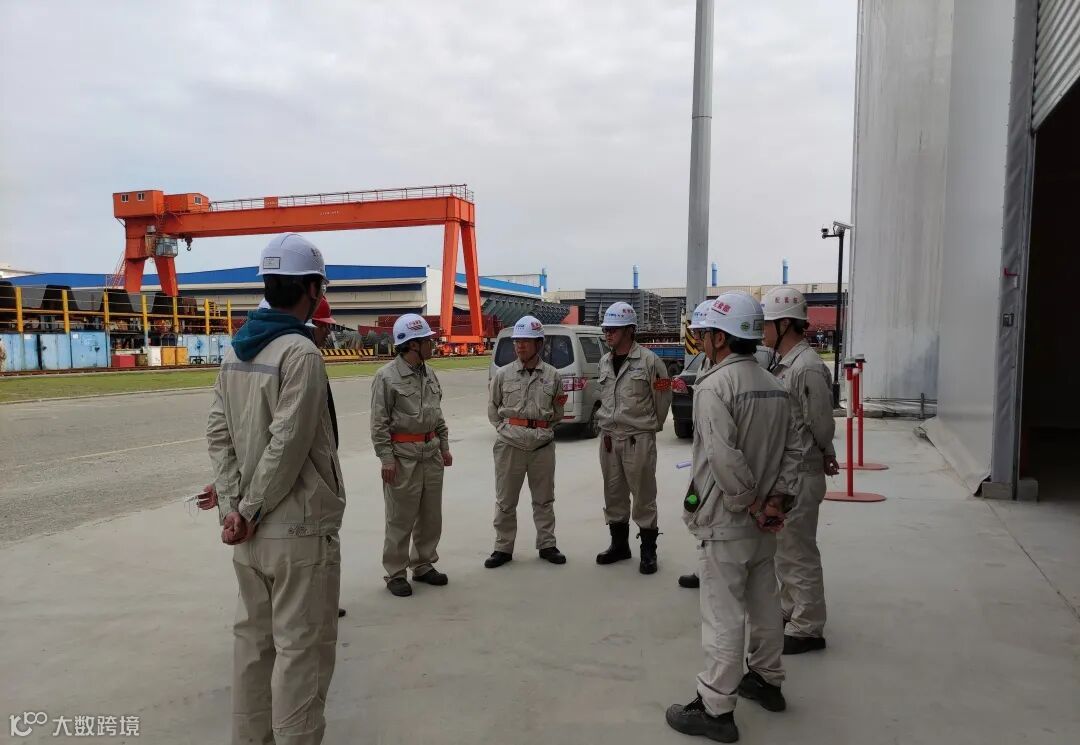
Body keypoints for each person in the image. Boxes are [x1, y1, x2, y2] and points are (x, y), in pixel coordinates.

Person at [207, 233, 346, 745]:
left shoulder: (236, 350)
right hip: (295, 527)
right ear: (311, 288)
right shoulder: (300, 353)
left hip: (248, 534)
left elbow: (219, 434)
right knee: (300, 651)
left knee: (253, 645)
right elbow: (288, 443)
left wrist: (233, 509)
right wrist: (249, 508)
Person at [665, 291, 805, 744]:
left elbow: (724, 458)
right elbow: (794, 450)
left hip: (728, 520)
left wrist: (750, 503)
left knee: (723, 614)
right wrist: (776, 501)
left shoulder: (715, 387)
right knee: (764, 604)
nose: (703, 341)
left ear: (721, 338)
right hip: (764, 522)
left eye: (706, 333)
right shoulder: (775, 384)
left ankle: (715, 707)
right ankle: (766, 678)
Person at [761, 286, 839, 655]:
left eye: (768, 324)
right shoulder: (784, 364)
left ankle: (808, 627)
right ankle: (791, 608)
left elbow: (821, 423)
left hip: (802, 471)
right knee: (784, 548)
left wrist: (825, 451)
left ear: (785, 325)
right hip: (788, 472)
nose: (762, 331)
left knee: (798, 550)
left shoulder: (806, 367)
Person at [370, 313, 452, 597]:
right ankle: (395, 572)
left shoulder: (429, 373)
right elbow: (379, 423)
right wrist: (386, 458)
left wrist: (444, 446)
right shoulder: (386, 377)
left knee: (430, 516)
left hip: (431, 455)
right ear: (413, 344)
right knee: (400, 518)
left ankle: (423, 564)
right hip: (403, 458)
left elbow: (437, 414)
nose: (433, 344)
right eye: (428, 340)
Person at [594, 301, 672, 574]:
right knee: (613, 493)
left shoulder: (650, 361)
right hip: (609, 439)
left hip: (638, 439)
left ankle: (648, 551)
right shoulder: (604, 362)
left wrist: (650, 427)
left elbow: (663, 397)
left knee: (643, 495)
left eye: (613, 329)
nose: (608, 334)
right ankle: (619, 545)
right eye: (606, 329)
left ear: (629, 330)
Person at [485, 315, 568, 568]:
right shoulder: (503, 374)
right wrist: (504, 429)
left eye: (526, 341)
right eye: (517, 341)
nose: (520, 345)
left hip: (542, 446)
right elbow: (493, 408)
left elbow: (558, 411)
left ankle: (547, 544)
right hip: (510, 445)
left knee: (544, 499)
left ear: (539, 344)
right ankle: (503, 548)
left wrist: (543, 430)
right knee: (506, 500)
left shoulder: (552, 376)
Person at [676, 299, 715, 590]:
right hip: (704, 456)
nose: (698, 338)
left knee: (718, 520)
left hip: (717, 460)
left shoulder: (727, 373)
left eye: (702, 333)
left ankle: (716, 575)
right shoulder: (705, 363)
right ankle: (706, 570)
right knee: (702, 515)